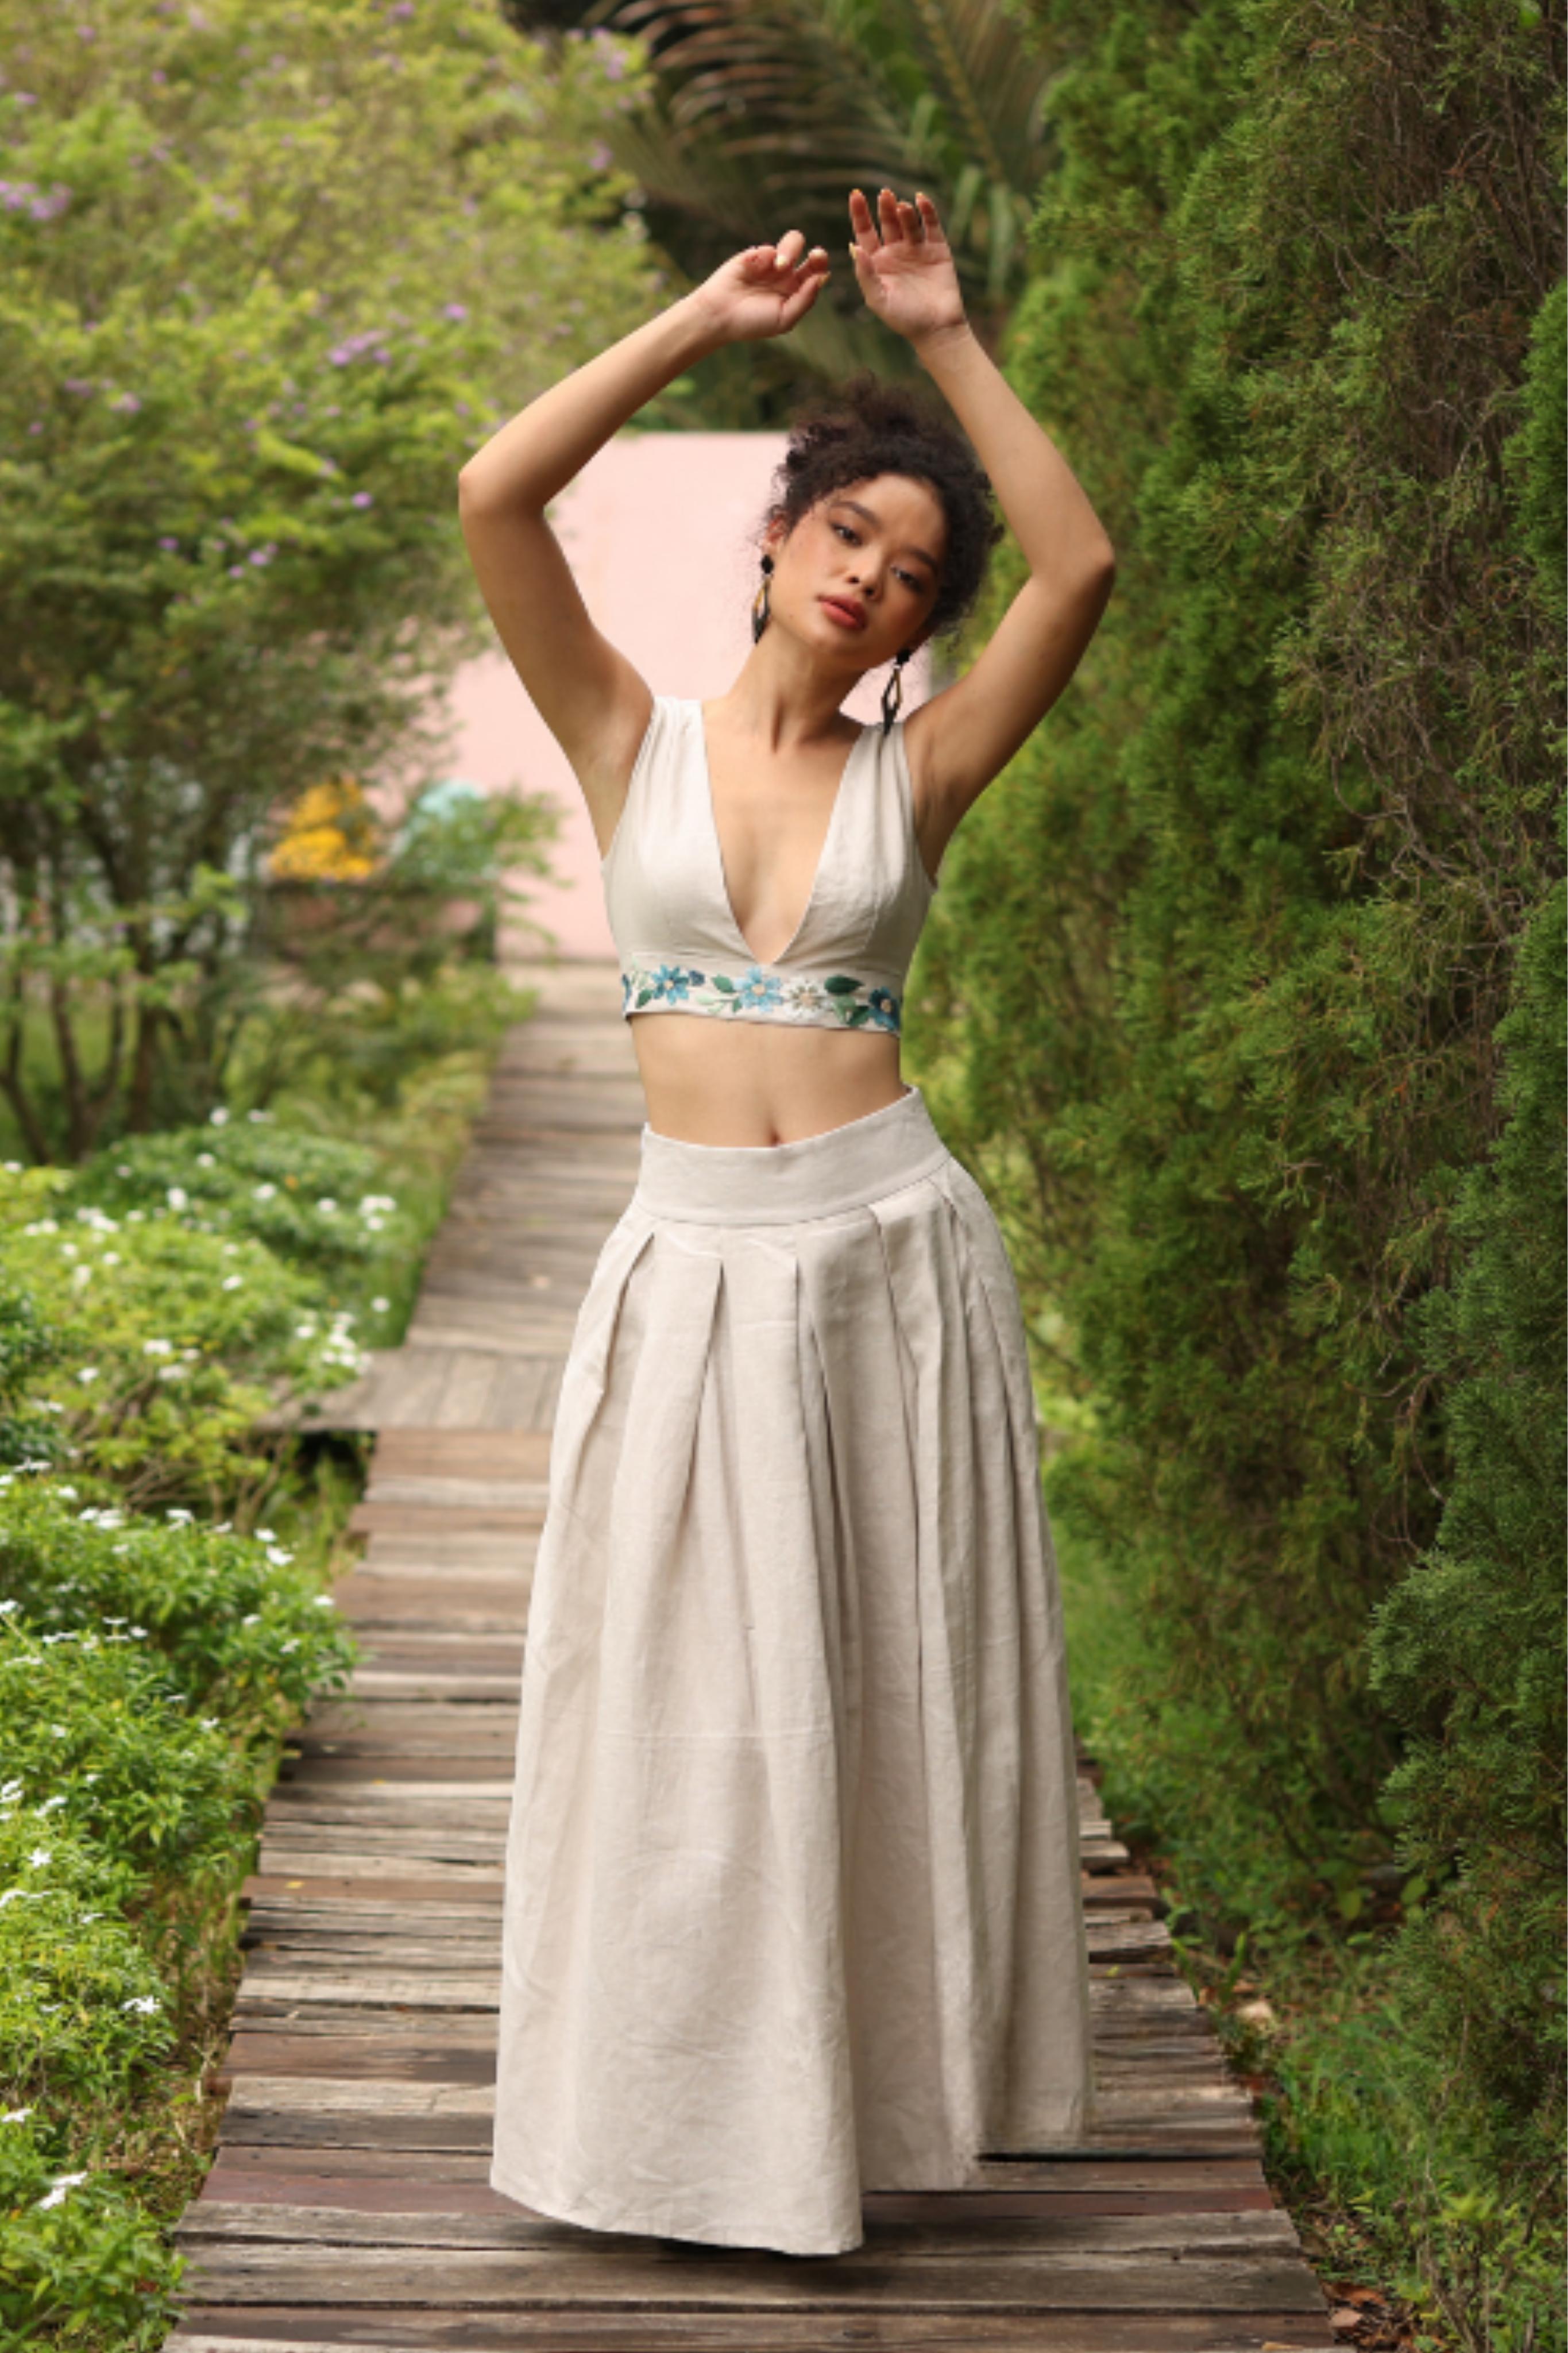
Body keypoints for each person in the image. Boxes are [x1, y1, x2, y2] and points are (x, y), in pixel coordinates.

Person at [457, 186, 1117, 2260]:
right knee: (673, 1710)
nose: (877, 584)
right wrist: (695, 327)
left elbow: (1079, 562)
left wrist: (937, 335)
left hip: (882, 1263)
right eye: (850, 537)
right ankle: (672, 2133)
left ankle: (865, 2118)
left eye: (913, 577)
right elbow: (496, 489)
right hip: (686, 1267)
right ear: (775, 537)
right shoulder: (619, 737)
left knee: (873, 1695)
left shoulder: (911, 780)